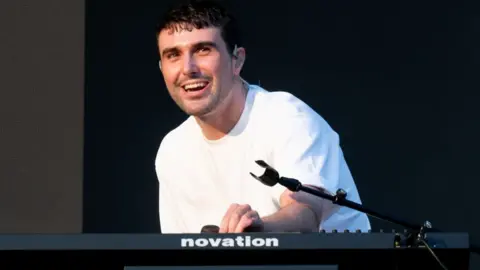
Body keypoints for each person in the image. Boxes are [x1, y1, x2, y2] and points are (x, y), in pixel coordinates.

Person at [154, 0, 371, 233]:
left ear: (237, 60)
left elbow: (306, 213)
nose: (188, 68)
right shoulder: (172, 151)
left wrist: (257, 231)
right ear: (162, 68)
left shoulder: (286, 117)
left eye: (203, 49)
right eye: (173, 55)